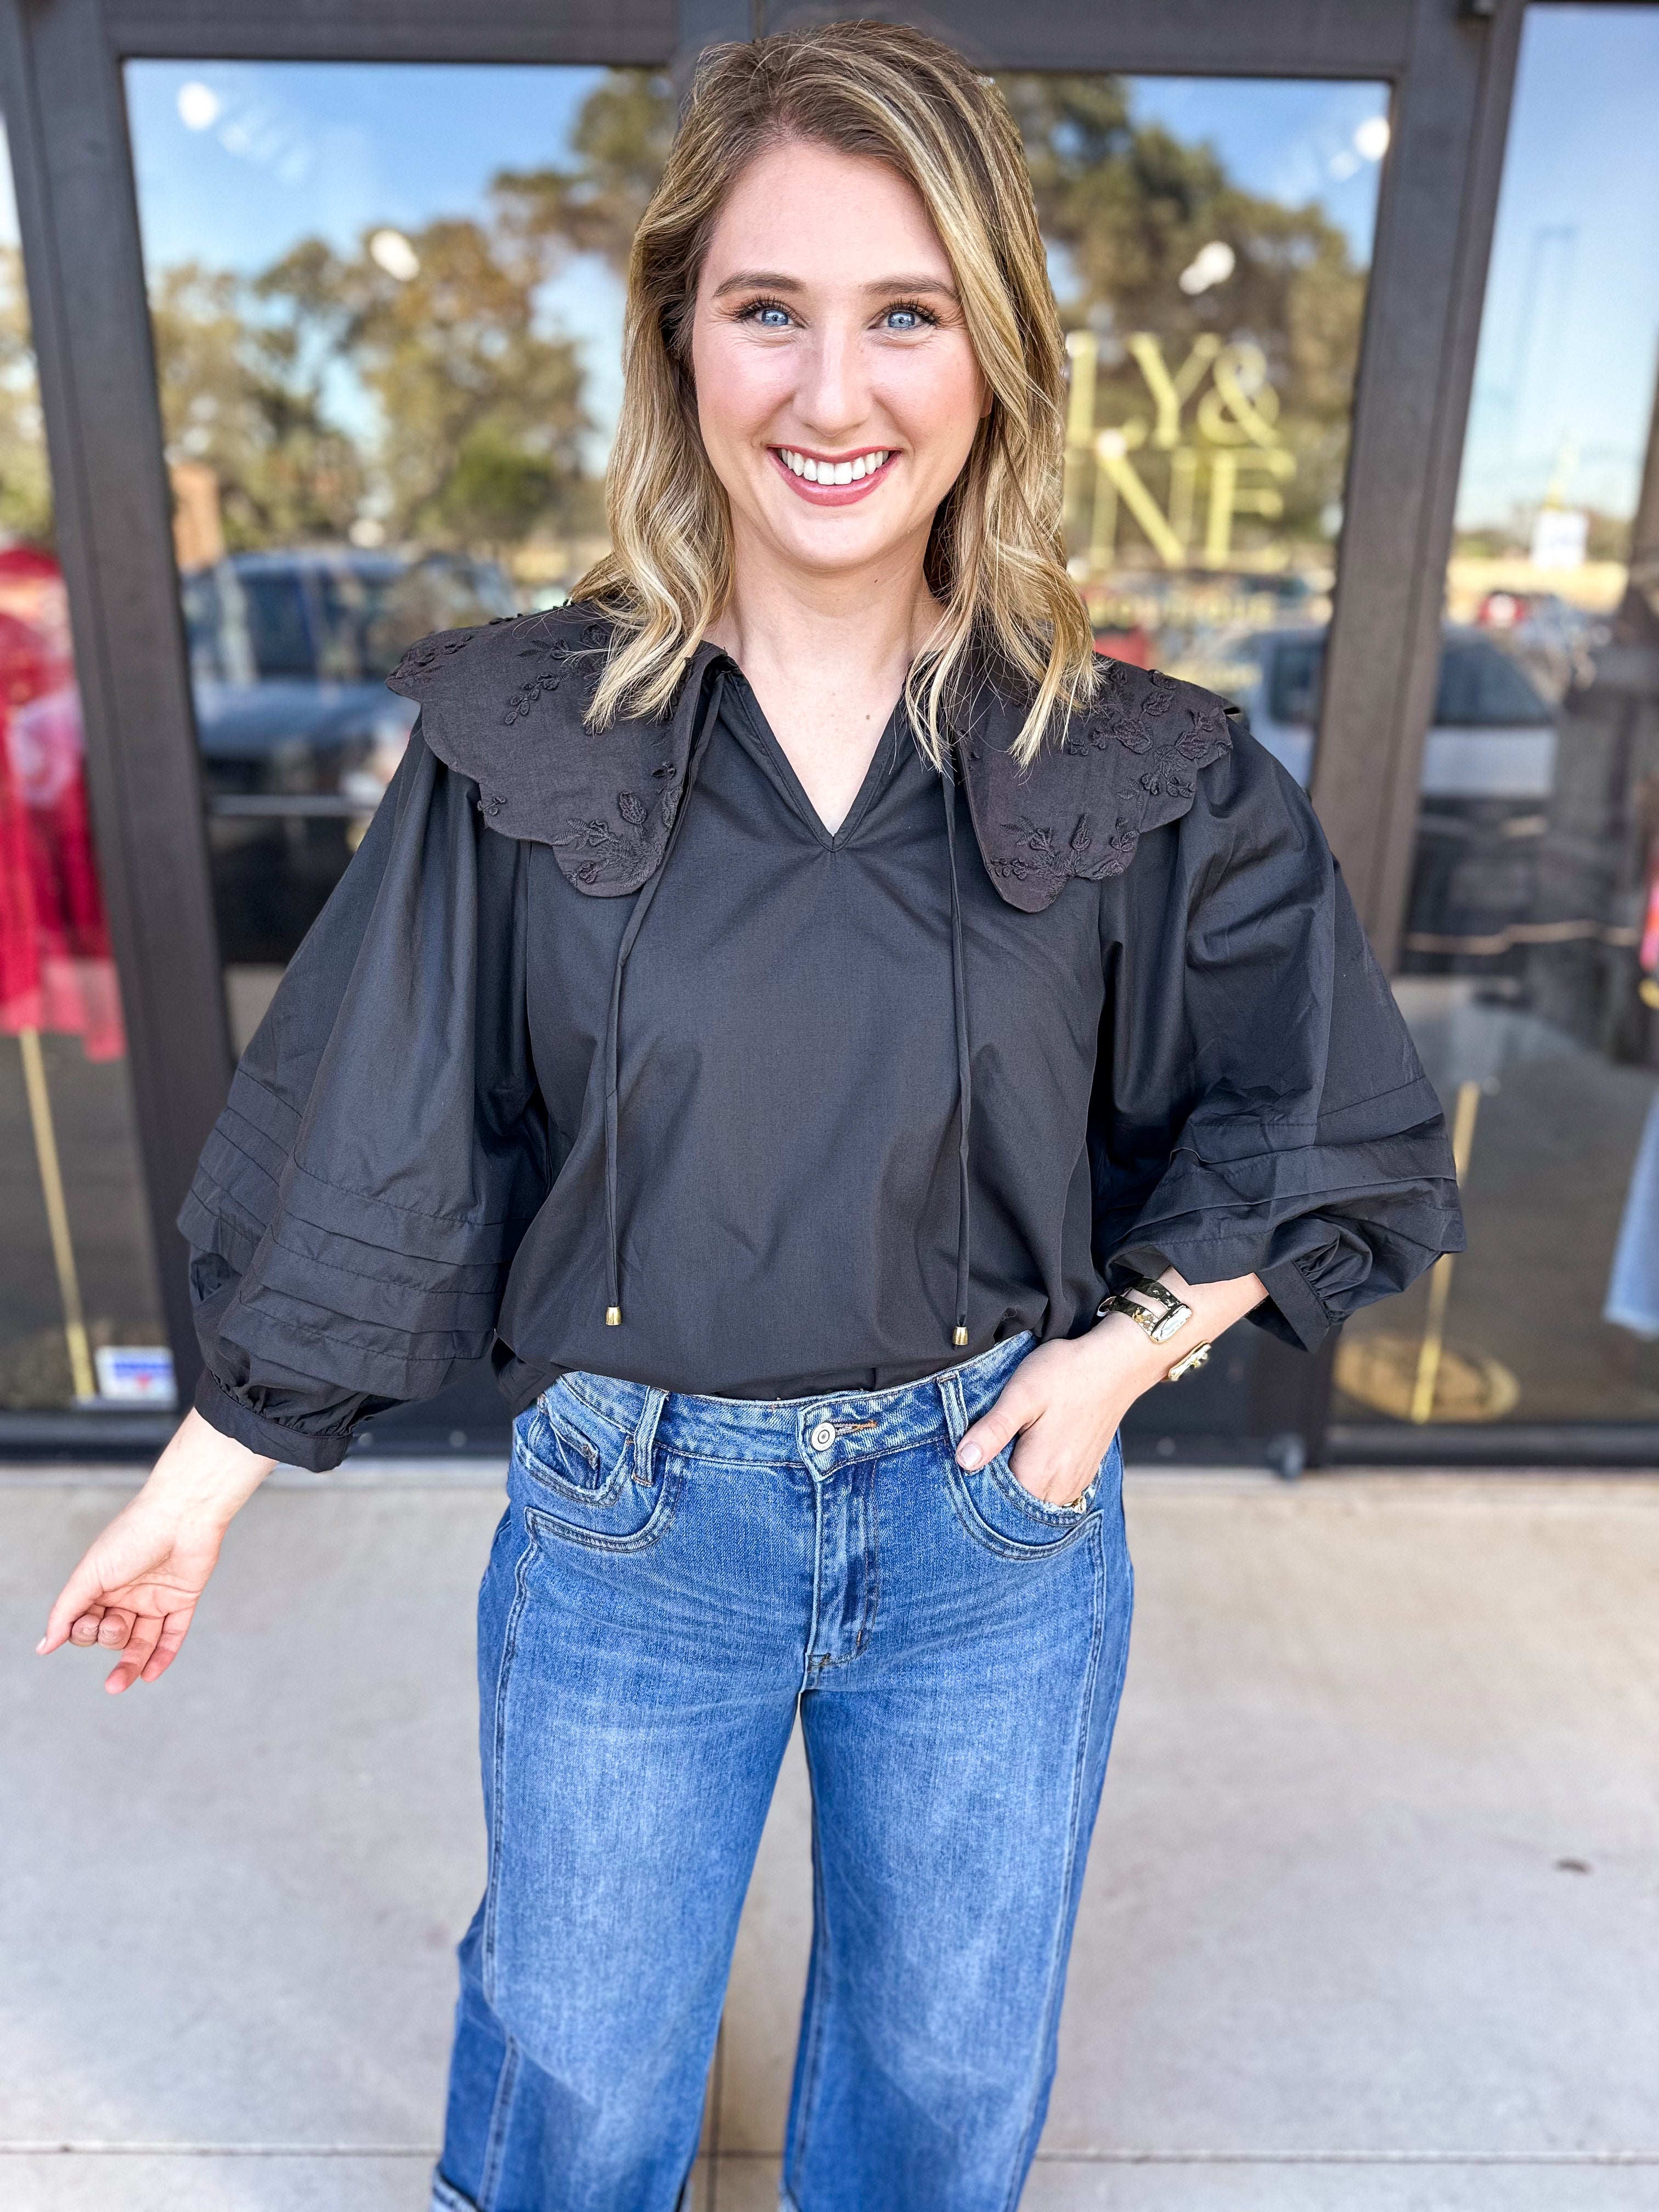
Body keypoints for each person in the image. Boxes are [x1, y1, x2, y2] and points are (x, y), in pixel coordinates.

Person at [39, 24, 1464, 2211]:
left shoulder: (1133, 762)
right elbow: (382, 1126)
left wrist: (1128, 1355)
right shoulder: (528, 739)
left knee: (941, 2087)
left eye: (906, 314)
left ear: (990, 355)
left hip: (996, 1520)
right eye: (766, 309)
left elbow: (1321, 1105)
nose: (832, 392)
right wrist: (202, 1483)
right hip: (632, 1528)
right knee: (582, 2085)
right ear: (679, 338)